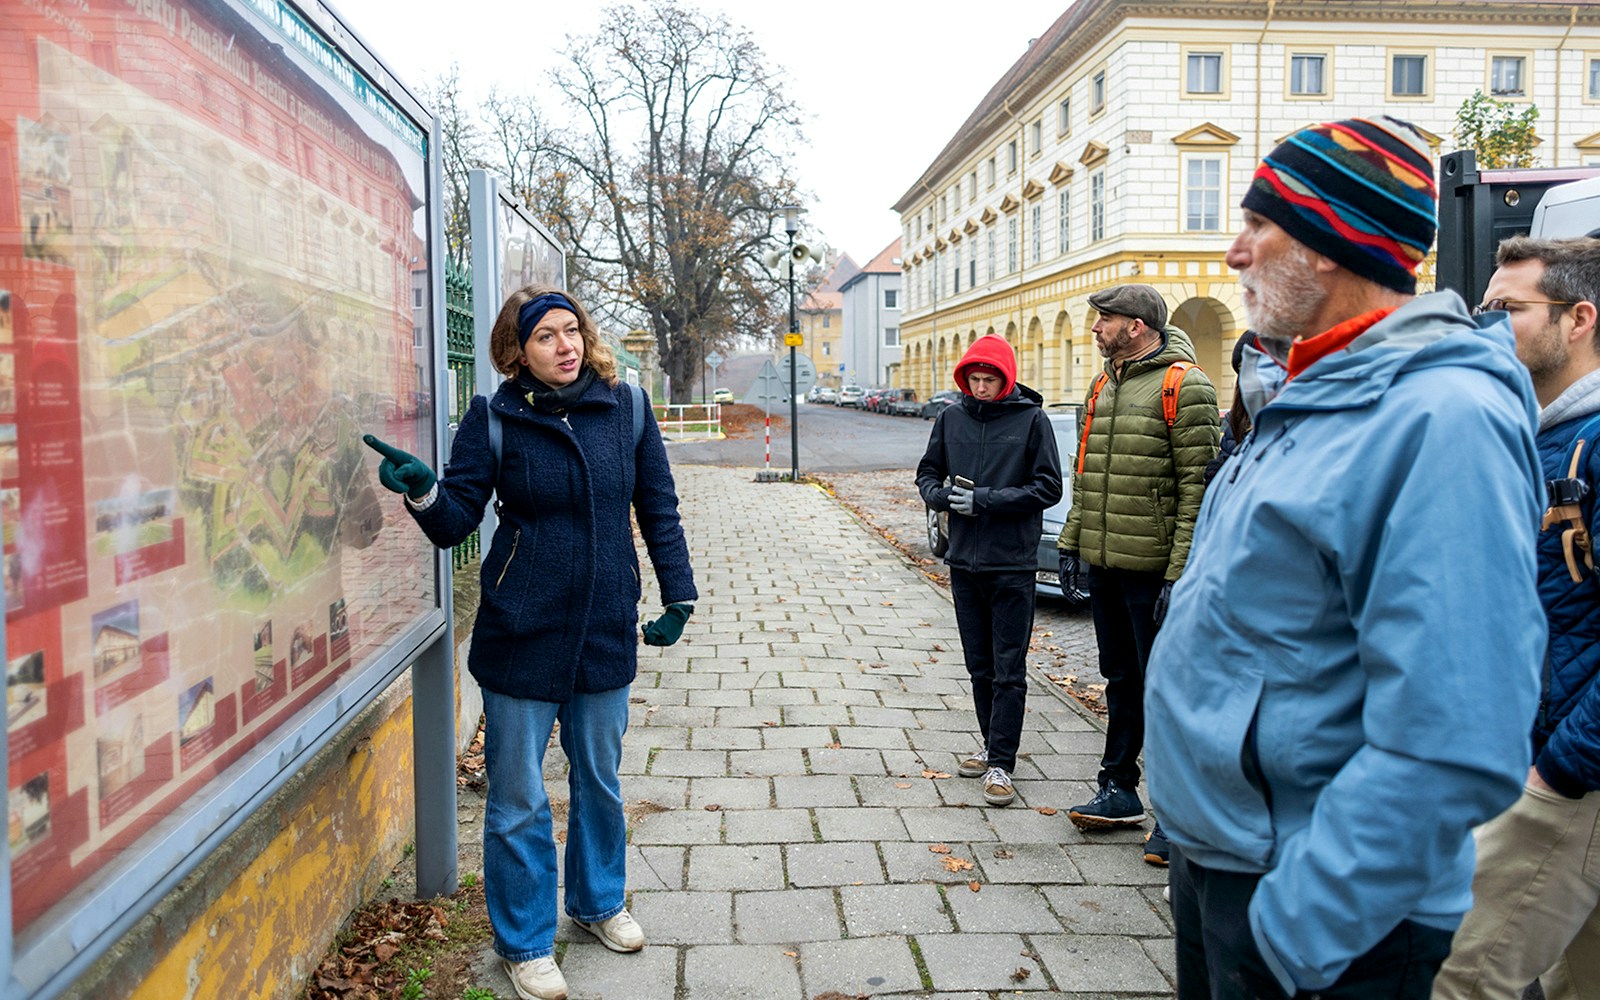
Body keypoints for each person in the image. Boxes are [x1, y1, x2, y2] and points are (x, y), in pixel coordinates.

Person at [1144, 115, 1546, 1000]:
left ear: (1329, 243)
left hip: (1322, 912)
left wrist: (1299, 929)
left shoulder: (1440, 418)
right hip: (1233, 863)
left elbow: (1458, 735)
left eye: (1259, 226)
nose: (1234, 254)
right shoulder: (1312, 389)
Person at [364, 285, 697, 1000]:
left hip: (605, 625)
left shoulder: (627, 408)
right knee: (518, 796)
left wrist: (680, 595)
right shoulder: (493, 419)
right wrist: (423, 491)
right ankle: (523, 939)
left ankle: (598, 902)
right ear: (517, 351)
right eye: (545, 336)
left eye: (570, 331)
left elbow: (659, 508)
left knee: (600, 782)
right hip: (522, 631)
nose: (564, 345)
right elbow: (456, 519)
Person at [1432, 236, 1600, 1000]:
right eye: (1483, 307)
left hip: (1568, 778)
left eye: (1509, 309)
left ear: (1580, 319)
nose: (1487, 324)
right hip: (1530, 756)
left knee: (1455, 974)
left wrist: (1564, 768)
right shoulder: (1541, 434)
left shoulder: (1590, 443)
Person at [1055, 283, 1218, 867]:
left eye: (1106, 319)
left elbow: (1197, 491)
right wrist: (1072, 544)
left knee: (1168, 691)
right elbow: (1087, 473)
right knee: (1121, 679)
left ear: (1138, 326)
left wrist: (1179, 575)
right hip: (1107, 563)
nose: (1096, 328)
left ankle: (1179, 817)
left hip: (1154, 572)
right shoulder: (1105, 384)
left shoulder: (1186, 386)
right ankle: (1119, 790)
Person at [915, 334, 1061, 808]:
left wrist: (985, 501)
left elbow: (1048, 488)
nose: (980, 387)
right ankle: (990, 745)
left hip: (1013, 563)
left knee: (1008, 668)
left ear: (1006, 379)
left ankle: (1002, 763)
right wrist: (940, 497)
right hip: (964, 561)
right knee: (978, 665)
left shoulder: (1032, 420)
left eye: (989, 380)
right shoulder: (950, 418)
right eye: (973, 379)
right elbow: (926, 473)